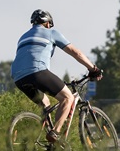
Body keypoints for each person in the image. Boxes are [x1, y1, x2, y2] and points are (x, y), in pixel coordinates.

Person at [11, 9, 102, 143]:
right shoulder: (51, 33)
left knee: (45, 104)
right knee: (67, 97)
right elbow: (75, 52)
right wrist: (93, 69)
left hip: (18, 77)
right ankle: (55, 134)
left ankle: (35, 138)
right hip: (38, 71)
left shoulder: (23, 37)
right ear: (48, 23)